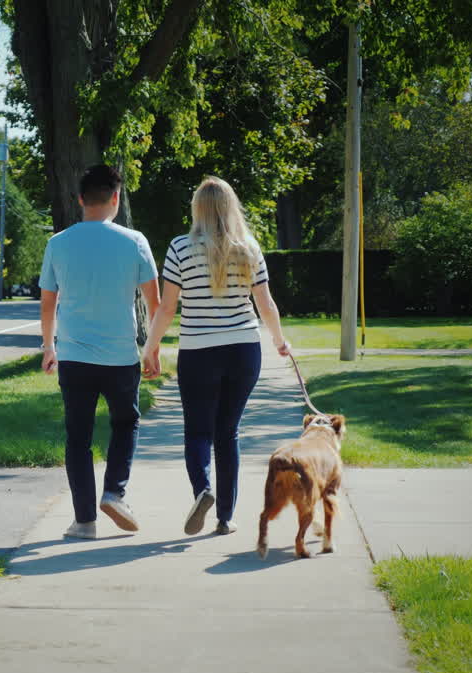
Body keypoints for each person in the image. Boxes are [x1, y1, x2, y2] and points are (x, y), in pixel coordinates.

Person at [141, 176, 291, 536]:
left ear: (198, 209)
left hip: (199, 351)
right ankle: (226, 516)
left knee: (197, 431)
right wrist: (279, 340)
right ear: (230, 206)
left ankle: (202, 491)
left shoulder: (180, 248)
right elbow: (265, 303)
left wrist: (151, 347)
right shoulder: (249, 248)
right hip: (243, 350)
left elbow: (166, 309)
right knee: (228, 432)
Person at [40, 165, 161, 540]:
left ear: (79, 199)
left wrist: (48, 346)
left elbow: (48, 302)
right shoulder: (135, 241)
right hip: (121, 356)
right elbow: (154, 303)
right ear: (115, 197)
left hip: (74, 356)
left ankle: (84, 522)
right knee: (126, 423)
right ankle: (114, 492)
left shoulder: (57, 243)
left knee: (78, 436)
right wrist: (152, 350)